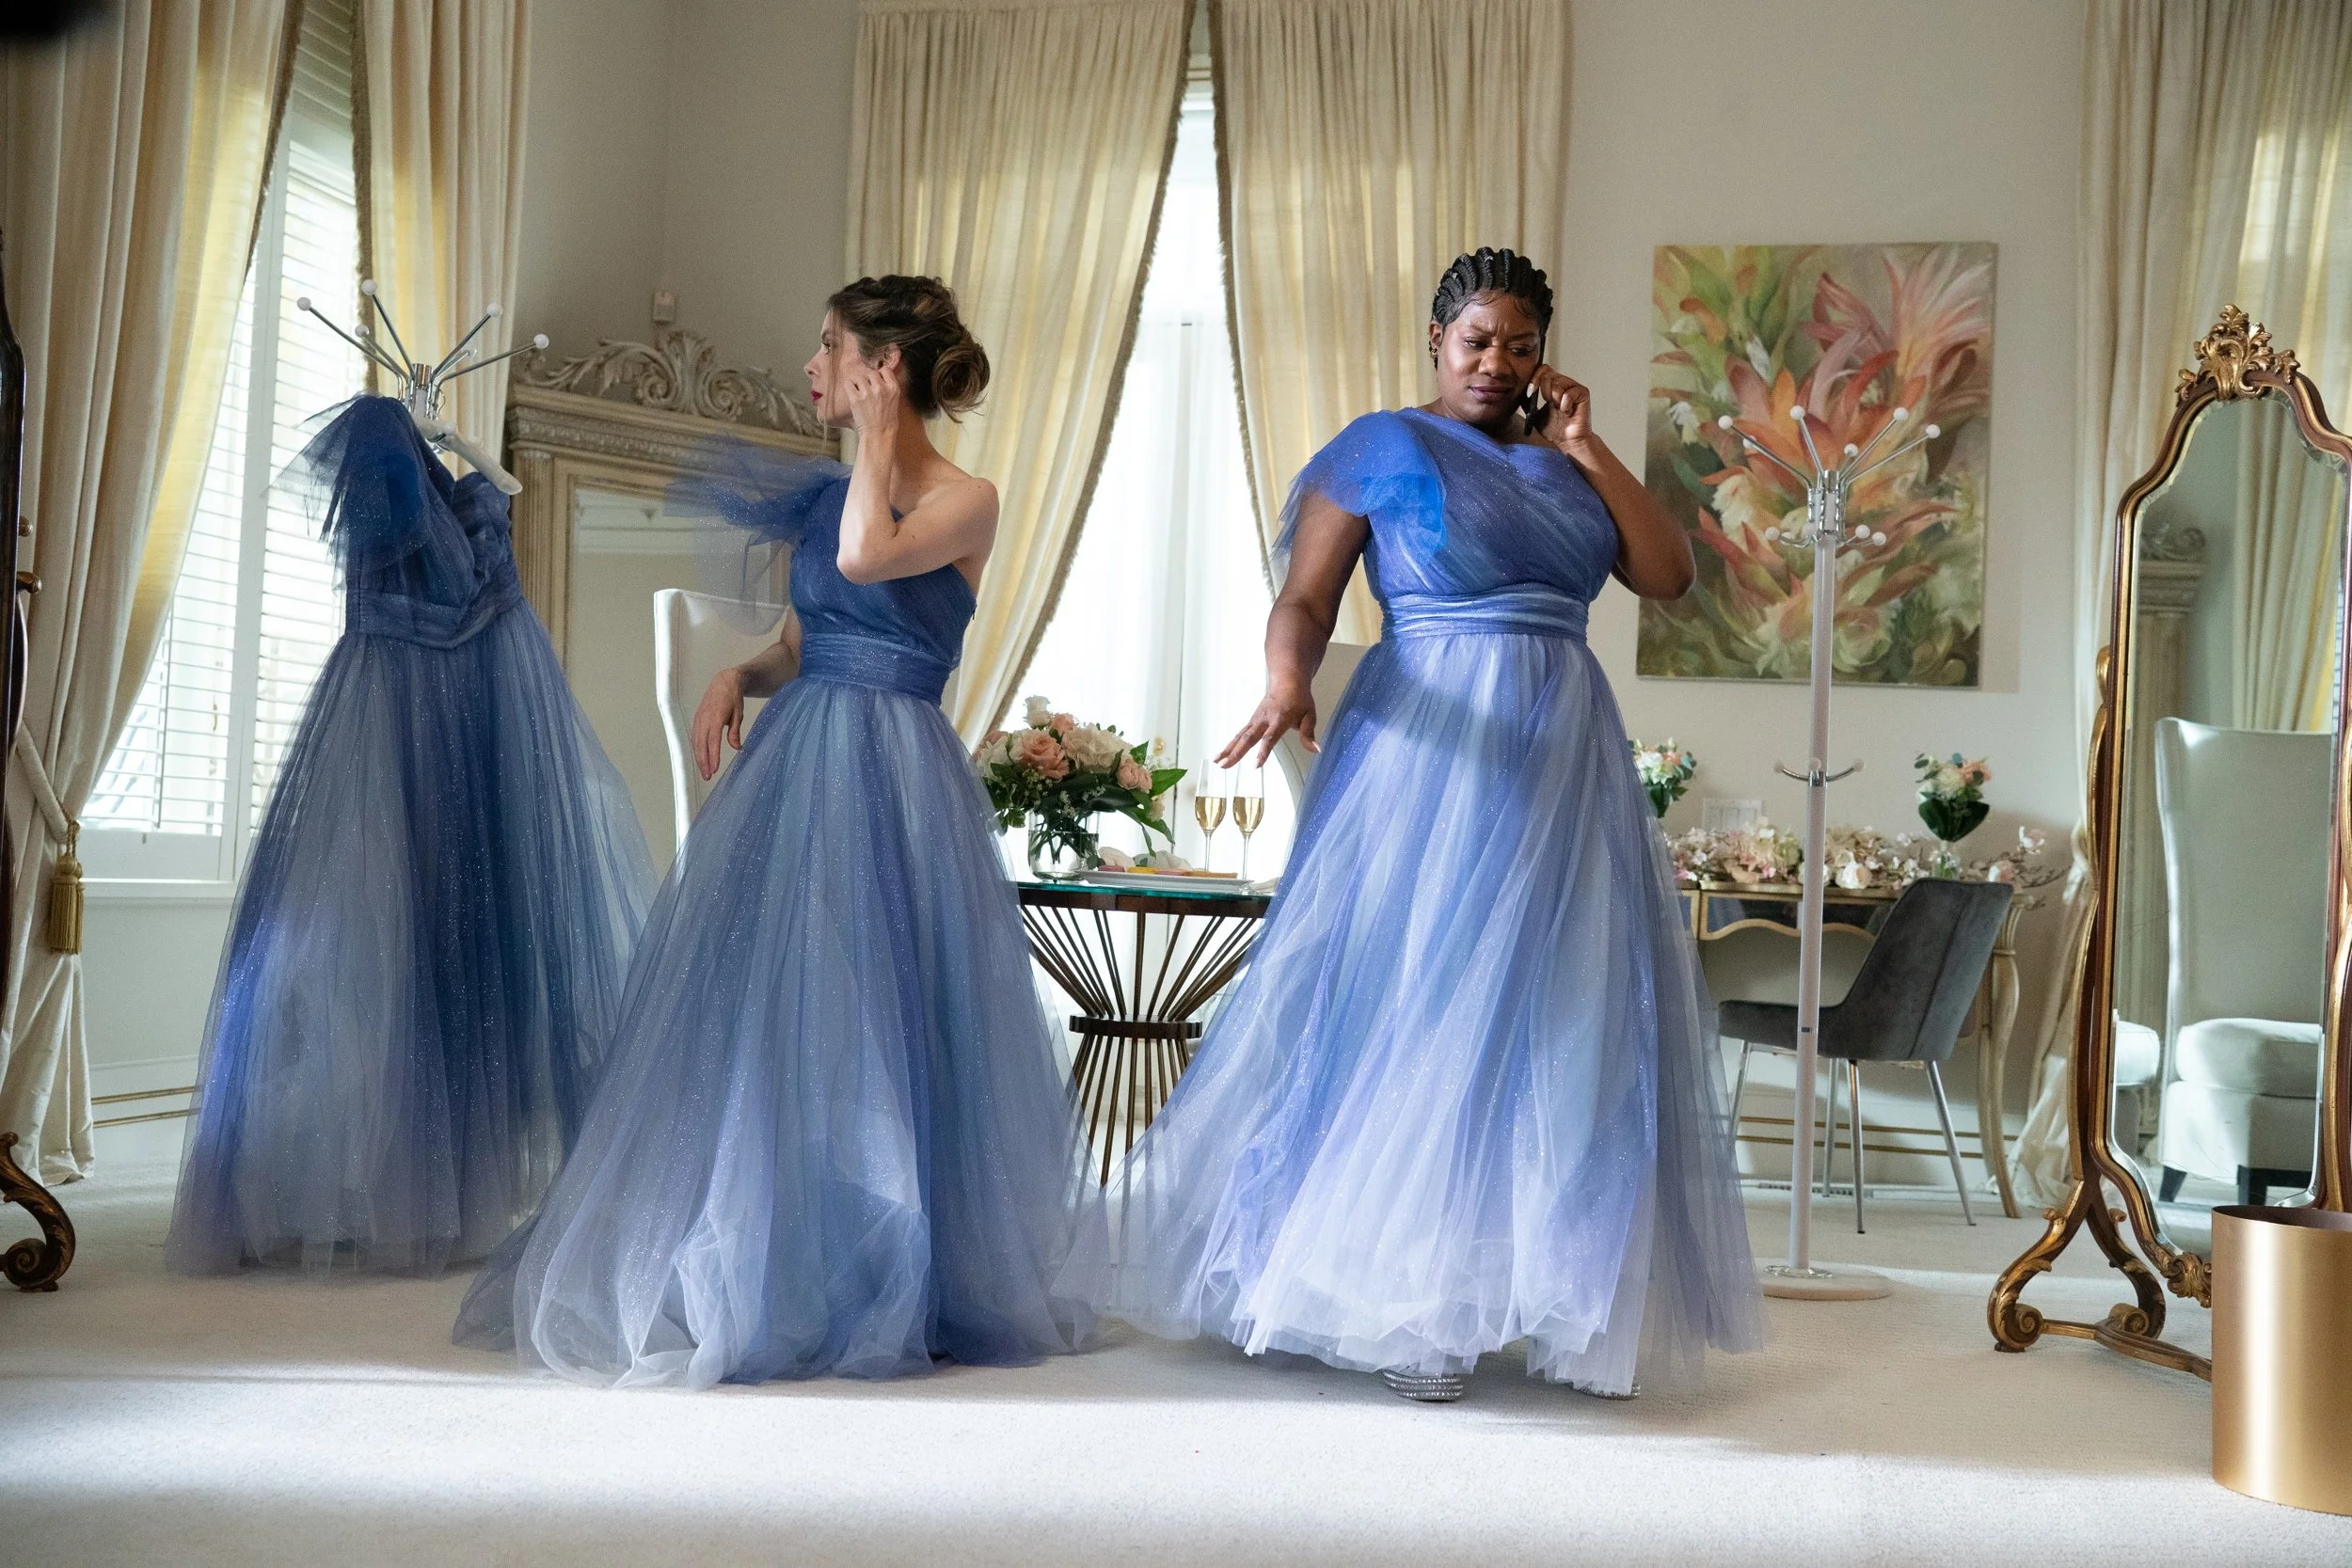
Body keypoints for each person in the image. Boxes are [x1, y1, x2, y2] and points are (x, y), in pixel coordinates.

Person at [1078, 247, 1763, 1402]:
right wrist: (1286, 679)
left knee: (1558, 1014)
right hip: (1432, 747)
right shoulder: (1381, 446)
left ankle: (1532, 1287)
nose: (1496, 363)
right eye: (1475, 341)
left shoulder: (1569, 459)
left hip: (1561, 752)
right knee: (1420, 1002)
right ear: (1436, 342)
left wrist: (1588, 448)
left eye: (1520, 344)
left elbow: (1669, 575)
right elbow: (1302, 596)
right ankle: (1397, 1300)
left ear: (1546, 354)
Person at [454, 276, 1101, 1386]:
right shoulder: (835, 492)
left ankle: (901, 1269)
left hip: (896, 770)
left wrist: (883, 435)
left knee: (888, 1016)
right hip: (805, 753)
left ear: (881, 368)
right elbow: (809, 633)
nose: (810, 369)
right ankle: (766, 1250)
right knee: (771, 1013)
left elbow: (863, 562)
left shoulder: (967, 496)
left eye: (829, 349)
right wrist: (737, 671)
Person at [167, 396, 655, 1277]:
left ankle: (447, 1183)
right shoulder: (380, 444)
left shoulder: (478, 481)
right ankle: (351, 1180)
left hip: (476, 727)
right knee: (366, 958)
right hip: (387, 726)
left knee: (460, 955)